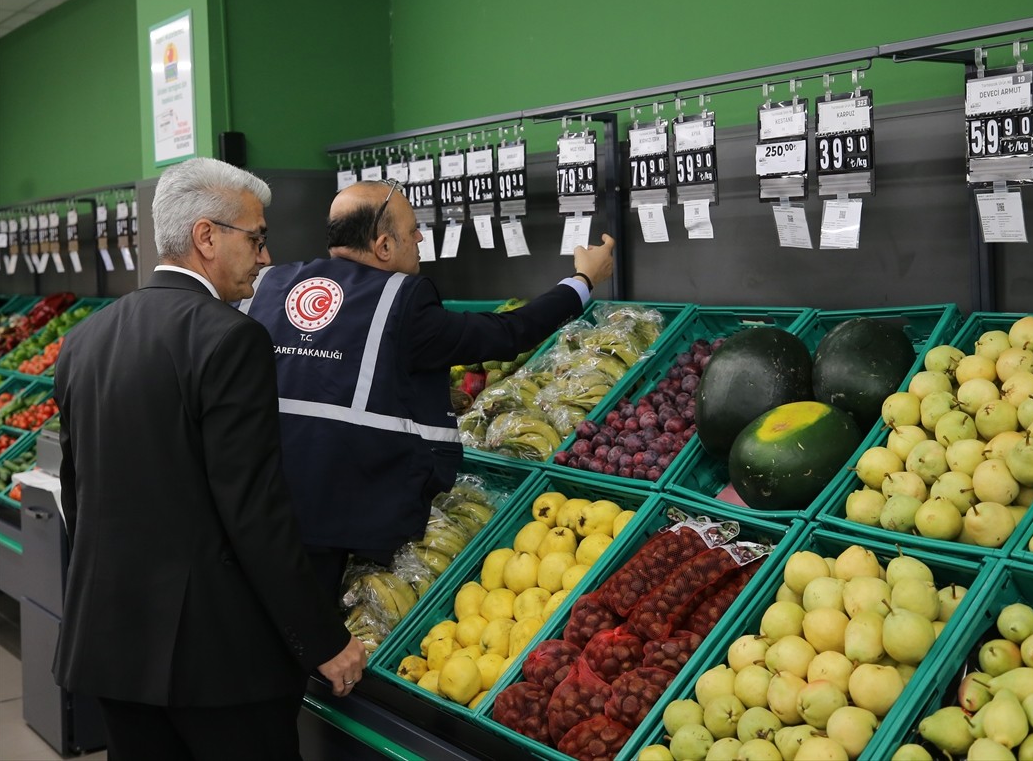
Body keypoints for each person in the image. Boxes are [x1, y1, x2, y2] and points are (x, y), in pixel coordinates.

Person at [52, 157, 368, 761]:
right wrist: (323, 639)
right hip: (217, 665)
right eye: (257, 237)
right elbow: (254, 513)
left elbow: (79, 493)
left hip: (111, 646)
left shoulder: (85, 339)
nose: (266, 257)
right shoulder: (228, 337)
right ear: (206, 237)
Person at [239, 178, 615, 601]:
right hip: (344, 514)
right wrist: (584, 279)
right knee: (315, 630)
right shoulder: (401, 301)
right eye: (413, 228)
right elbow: (508, 333)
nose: (420, 237)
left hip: (260, 502)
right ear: (383, 246)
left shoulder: (271, 285)